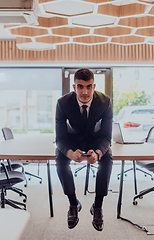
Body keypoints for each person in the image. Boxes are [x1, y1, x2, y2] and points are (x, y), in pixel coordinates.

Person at [55, 68, 113, 231]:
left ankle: (97, 206)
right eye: (80, 87)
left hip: (95, 141)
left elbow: (107, 137)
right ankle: (73, 203)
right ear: (74, 87)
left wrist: (99, 152)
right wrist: (69, 153)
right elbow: (60, 138)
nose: (85, 92)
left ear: (94, 86)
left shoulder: (105, 101)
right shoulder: (63, 103)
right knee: (60, 161)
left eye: (89, 86)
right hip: (72, 140)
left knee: (107, 160)